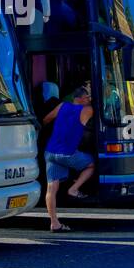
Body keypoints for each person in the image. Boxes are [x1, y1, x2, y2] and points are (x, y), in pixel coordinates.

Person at [41, 85, 95, 232]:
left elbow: (46, 120)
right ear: (80, 99)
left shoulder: (62, 106)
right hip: (67, 153)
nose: (89, 99)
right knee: (91, 165)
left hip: (50, 152)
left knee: (51, 189)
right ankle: (74, 189)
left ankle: (54, 223)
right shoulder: (87, 110)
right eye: (87, 97)